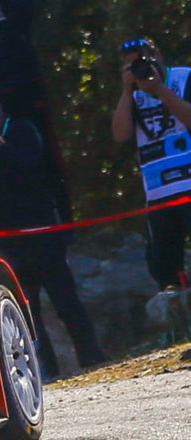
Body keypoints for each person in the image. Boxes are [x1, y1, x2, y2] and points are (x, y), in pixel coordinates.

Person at [0, 91, 106, 377]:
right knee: (28, 310)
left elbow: (27, 170)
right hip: (7, 240)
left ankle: (92, 358)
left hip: (40, 232)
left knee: (65, 300)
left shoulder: (21, 130)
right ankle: (46, 371)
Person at [0, 0, 72, 221]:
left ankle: (60, 219)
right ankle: (0, 219)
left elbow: (24, 18)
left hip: (25, 84)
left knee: (41, 150)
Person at [111, 37, 191, 290]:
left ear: (158, 55)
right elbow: (120, 134)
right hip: (158, 192)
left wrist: (160, 90)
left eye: (143, 61)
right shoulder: (133, 94)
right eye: (132, 66)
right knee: (163, 266)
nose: (141, 69)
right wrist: (127, 92)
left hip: (189, 184)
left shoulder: (184, 78)